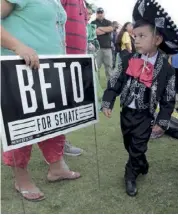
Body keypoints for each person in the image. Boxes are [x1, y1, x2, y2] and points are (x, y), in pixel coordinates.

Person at [101, 0, 178, 197]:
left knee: (138, 145)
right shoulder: (126, 59)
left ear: (157, 39)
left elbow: (168, 98)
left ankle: (130, 175)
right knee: (130, 144)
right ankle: (141, 162)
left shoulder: (167, 69)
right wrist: (108, 100)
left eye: (142, 36)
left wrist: (162, 121)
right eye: (135, 36)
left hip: (145, 116)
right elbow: (115, 81)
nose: (136, 40)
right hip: (126, 113)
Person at [1, 0, 80, 202]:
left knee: (54, 121)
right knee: (22, 125)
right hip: (20, 72)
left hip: (52, 71)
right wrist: (18, 46)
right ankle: (21, 177)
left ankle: (57, 167)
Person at [61, 0, 88, 156]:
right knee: (60, 103)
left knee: (68, 103)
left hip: (76, 60)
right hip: (61, 57)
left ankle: (60, 143)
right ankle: (58, 145)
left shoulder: (82, 3)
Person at [91, 8, 113, 81]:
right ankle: (95, 85)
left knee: (109, 68)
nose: (100, 14)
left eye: (101, 12)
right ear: (96, 13)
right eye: (98, 12)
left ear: (104, 13)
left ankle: (110, 86)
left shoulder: (108, 22)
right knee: (96, 68)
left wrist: (100, 28)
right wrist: (105, 30)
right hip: (97, 49)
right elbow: (95, 32)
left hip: (108, 49)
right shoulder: (93, 22)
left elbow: (110, 29)